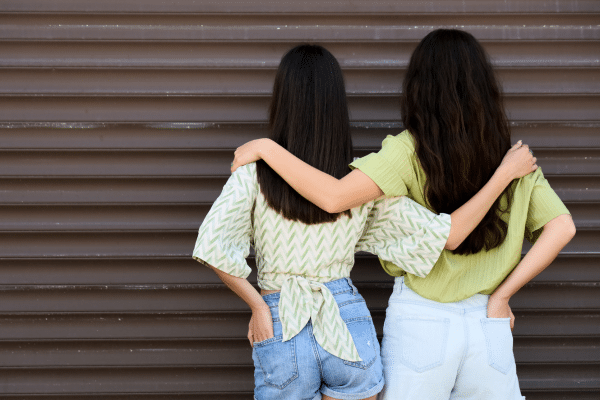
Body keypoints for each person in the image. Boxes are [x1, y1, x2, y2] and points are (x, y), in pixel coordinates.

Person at [230, 30, 575, 400]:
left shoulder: (408, 150)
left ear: (419, 88)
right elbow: (562, 227)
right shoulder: (513, 159)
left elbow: (334, 197)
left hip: (421, 320)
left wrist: (266, 148)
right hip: (487, 320)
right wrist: (503, 296)